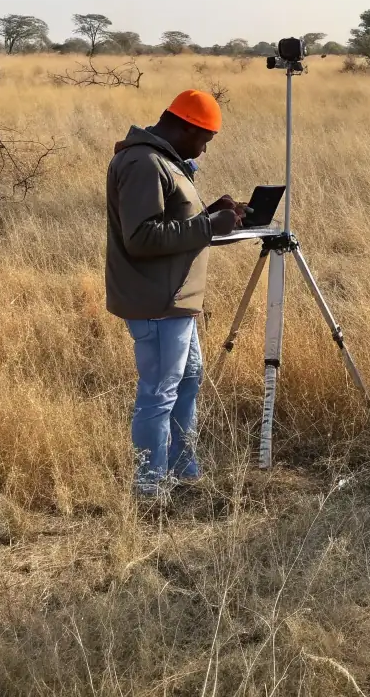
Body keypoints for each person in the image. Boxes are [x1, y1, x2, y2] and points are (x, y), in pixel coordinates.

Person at [105, 89, 247, 497]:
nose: (203, 150)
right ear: (185, 126)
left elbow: (168, 222)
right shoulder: (143, 162)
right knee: (159, 392)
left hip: (175, 300)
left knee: (188, 379)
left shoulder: (163, 160)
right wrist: (207, 227)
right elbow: (141, 237)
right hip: (157, 302)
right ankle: (150, 489)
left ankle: (184, 471)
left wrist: (210, 214)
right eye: (203, 140)